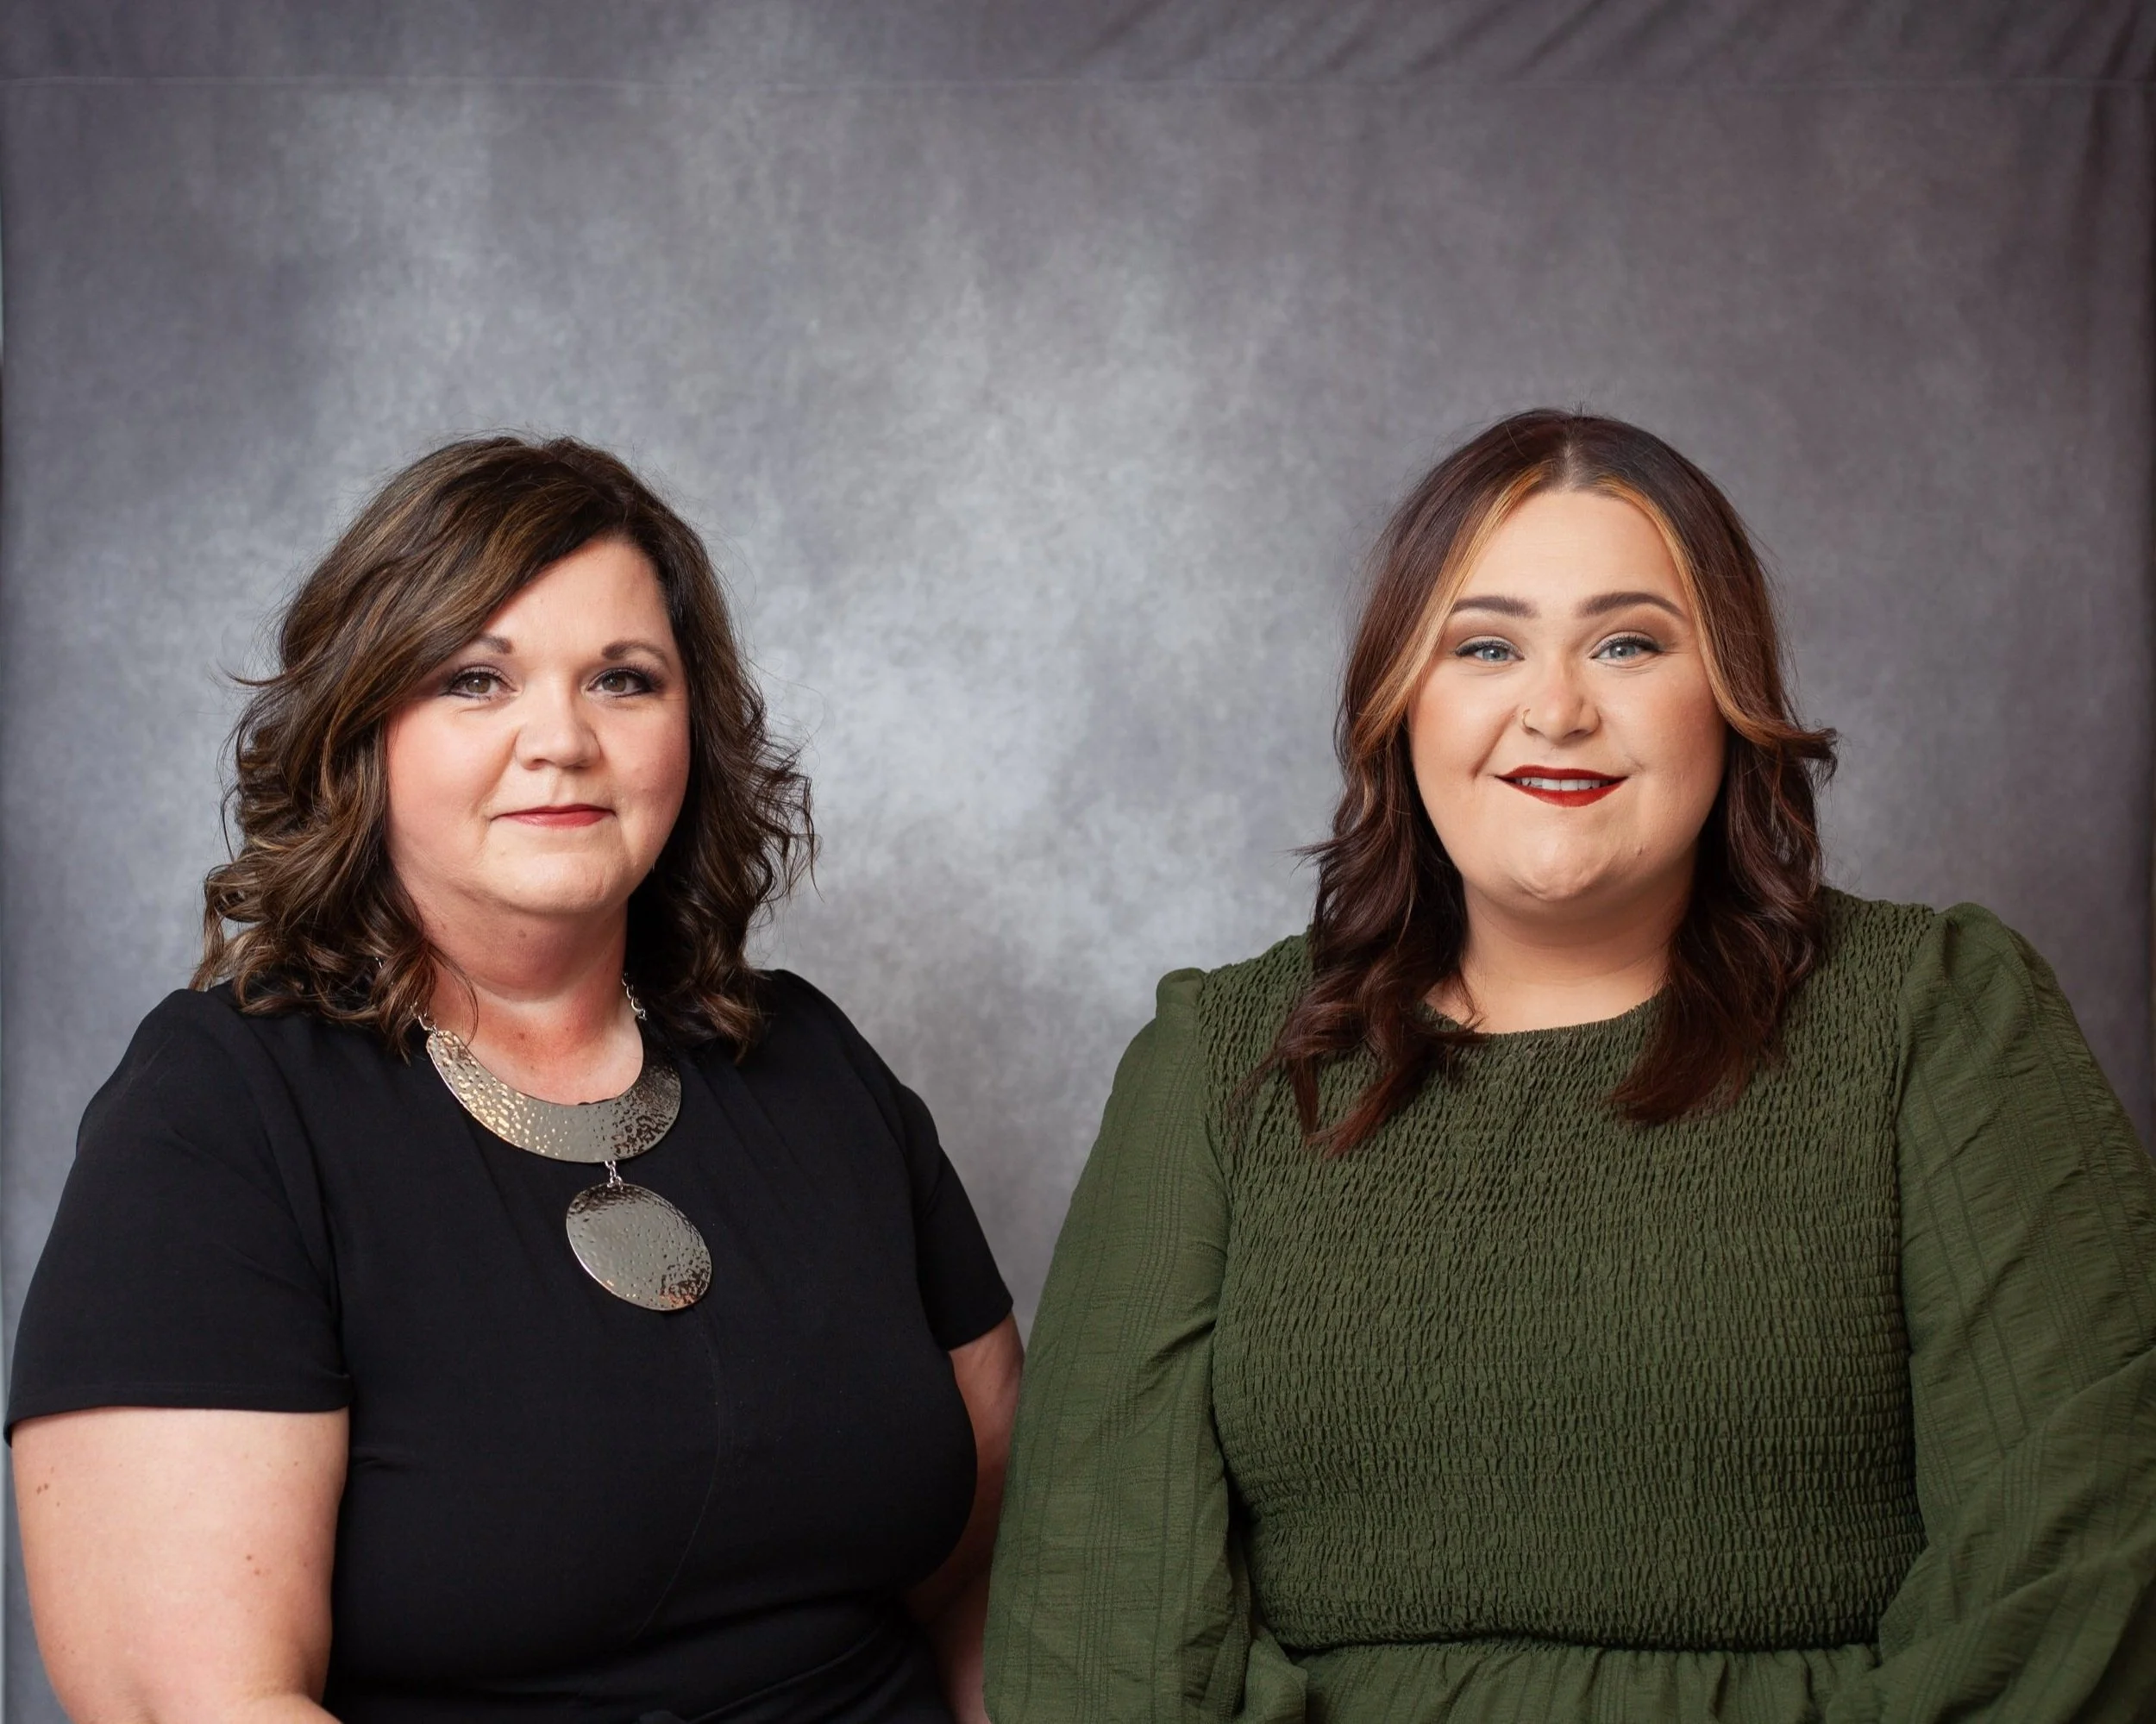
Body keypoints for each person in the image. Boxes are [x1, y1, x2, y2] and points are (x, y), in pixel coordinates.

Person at [982, 410, 2156, 1721]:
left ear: (1729, 692)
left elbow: (2081, 1586)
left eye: (1628, 643)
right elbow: (1093, 1634)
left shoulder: (1940, 1016)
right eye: (1486, 646)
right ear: (1400, 705)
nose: (1556, 708)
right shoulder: (1219, 1063)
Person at [9, 436, 1021, 1724]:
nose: (563, 740)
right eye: (476, 679)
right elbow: (199, 1704)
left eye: (624, 679)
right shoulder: (218, 1114)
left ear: (693, 730)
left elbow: (996, 1576)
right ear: (363, 730)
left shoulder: (811, 1063)